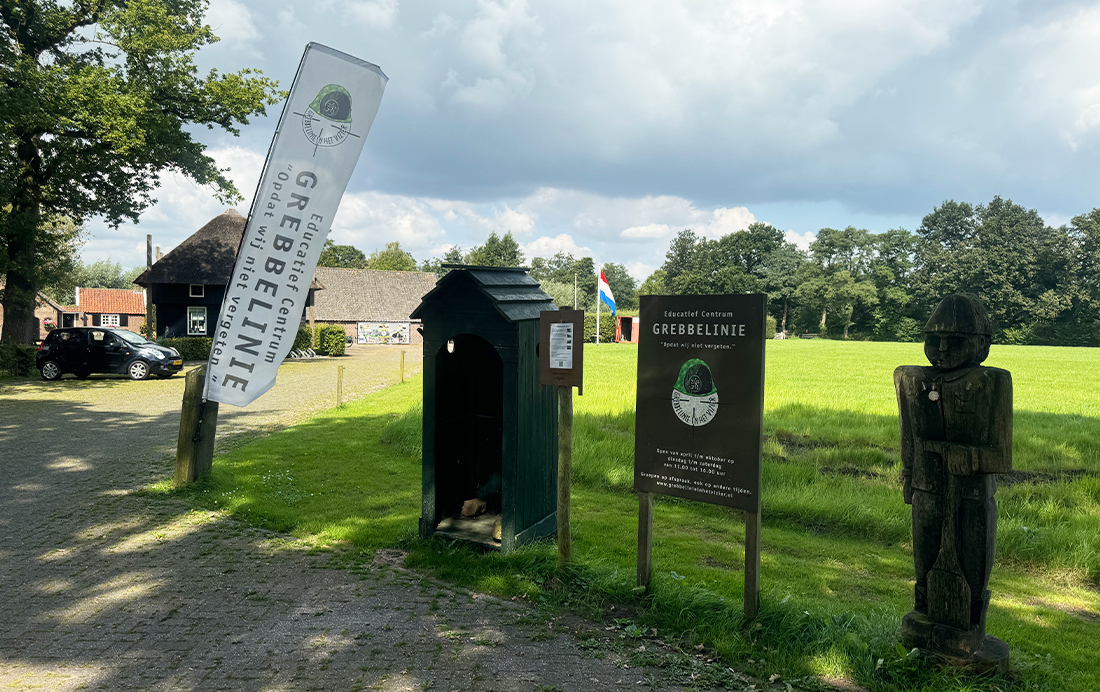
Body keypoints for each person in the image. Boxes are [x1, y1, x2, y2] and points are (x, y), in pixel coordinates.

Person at [894, 294, 1011, 664]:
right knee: (924, 555)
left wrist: (973, 457)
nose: (942, 350)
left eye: (955, 341)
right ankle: (925, 612)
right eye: (934, 340)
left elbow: (1002, 456)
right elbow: (908, 436)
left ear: (981, 344)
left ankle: (969, 623)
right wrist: (909, 475)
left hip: (972, 494)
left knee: (971, 555)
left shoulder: (991, 382)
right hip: (928, 487)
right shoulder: (911, 379)